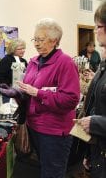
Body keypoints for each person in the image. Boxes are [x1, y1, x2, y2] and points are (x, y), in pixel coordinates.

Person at [17, 18, 80, 178]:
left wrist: (38, 93)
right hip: (35, 127)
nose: (36, 43)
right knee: (45, 170)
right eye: (35, 39)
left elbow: (71, 99)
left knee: (52, 173)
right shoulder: (34, 61)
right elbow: (28, 89)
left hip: (54, 132)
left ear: (54, 41)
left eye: (41, 39)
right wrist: (18, 93)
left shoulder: (65, 63)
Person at [77, 0, 106, 178]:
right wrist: (89, 152)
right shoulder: (102, 64)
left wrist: (95, 123)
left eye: (98, 26)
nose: (95, 31)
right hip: (99, 151)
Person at [0, 38, 28, 103]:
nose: (23, 51)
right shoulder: (6, 60)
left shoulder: (24, 61)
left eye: (23, 48)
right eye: (20, 49)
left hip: (22, 92)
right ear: (13, 50)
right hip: (9, 93)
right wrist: (8, 88)